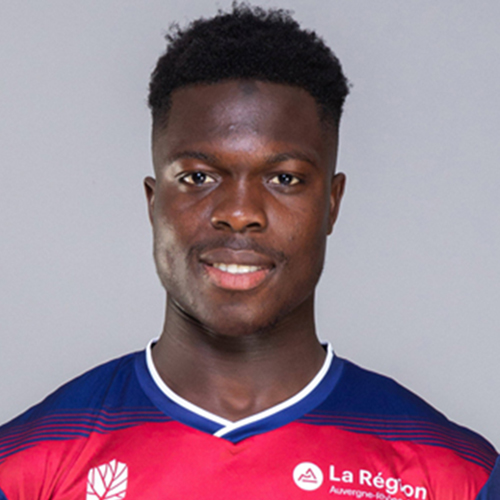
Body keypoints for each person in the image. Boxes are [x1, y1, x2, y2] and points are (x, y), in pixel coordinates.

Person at [0, 4, 497, 499]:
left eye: (285, 179)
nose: (239, 213)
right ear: (154, 203)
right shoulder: (25, 467)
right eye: (198, 177)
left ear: (332, 203)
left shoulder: (457, 477)